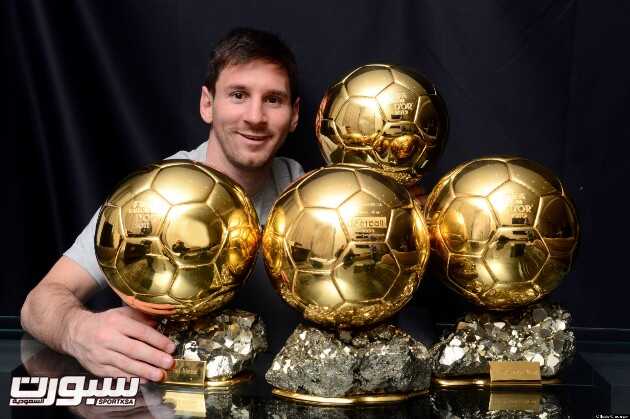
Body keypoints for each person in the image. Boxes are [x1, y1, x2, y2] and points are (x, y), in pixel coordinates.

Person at [20, 27, 304, 384]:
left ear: (294, 115)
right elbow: (38, 302)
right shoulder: (153, 196)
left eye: (273, 100)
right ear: (207, 103)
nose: (255, 116)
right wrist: (77, 330)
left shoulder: (308, 199)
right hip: (169, 398)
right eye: (238, 95)